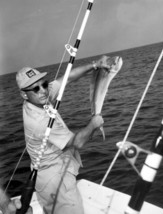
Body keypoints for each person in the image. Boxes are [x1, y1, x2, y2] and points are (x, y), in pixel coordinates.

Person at [16, 56, 111, 214]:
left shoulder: (38, 99)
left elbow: (67, 78)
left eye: (44, 84)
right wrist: (94, 124)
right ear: (24, 94)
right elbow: (77, 142)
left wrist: (95, 65)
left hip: (45, 174)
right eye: (36, 88)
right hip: (54, 178)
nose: (43, 90)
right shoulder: (39, 121)